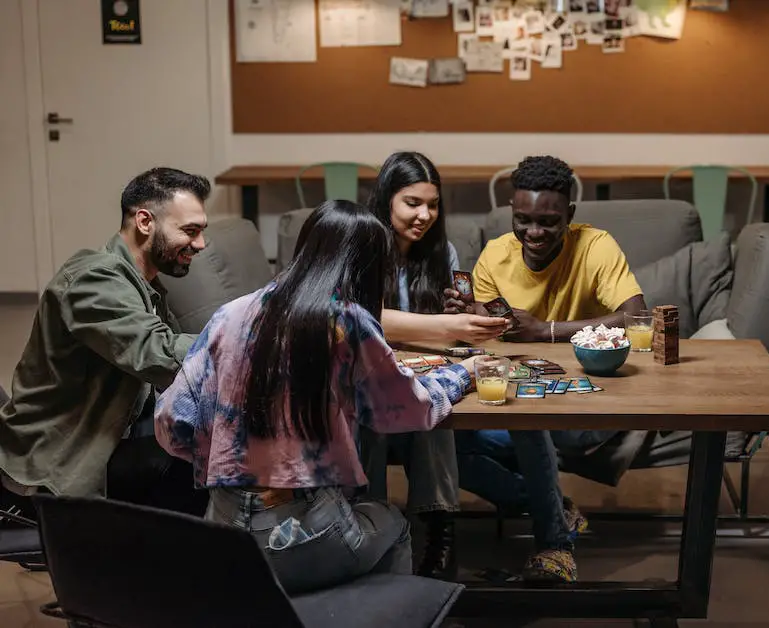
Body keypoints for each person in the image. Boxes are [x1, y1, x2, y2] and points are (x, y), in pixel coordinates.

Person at [154, 200, 478, 595]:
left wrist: (230, 462)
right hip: (305, 530)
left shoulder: (231, 314)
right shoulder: (345, 321)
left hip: (223, 533)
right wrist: (464, 373)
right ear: (365, 265)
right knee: (393, 525)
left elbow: (171, 420)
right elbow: (406, 407)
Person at [444, 155, 649, 583]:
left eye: (548, 222)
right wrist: (468, 318)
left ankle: (554, 544)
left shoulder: (596, 245)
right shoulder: (495, 256)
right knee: (441, 438)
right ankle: (554, 507)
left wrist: (546, 330)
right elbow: (489, 339)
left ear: (569, 216)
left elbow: (636, 318)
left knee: (525, 423)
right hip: (530, 392)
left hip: (593, 401)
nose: (533, 233)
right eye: (523, 220)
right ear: (511, 213)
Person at [0, 167, 211, 519]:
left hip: (108, 444)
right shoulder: (93, 280)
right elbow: (158, 353)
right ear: (145, 222)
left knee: (208, 437)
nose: (200, 244)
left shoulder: (142, 285)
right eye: (190, 231)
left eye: (202, 232)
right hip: (56, 470)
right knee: (203, 458)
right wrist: (240, 340)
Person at [360, 151, 503, 580]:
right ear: (387, 199)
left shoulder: (444, 250)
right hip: (368, 374)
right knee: (374, 405)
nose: (424, 215)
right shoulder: (363, 245)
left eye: (433, 204)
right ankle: (369, 527)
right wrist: (442, 325)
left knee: (432, 406)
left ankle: (440, 530)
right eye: (412, 203)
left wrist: (468, 319)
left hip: (424, 372)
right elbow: (363, 317)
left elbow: (446, 332)